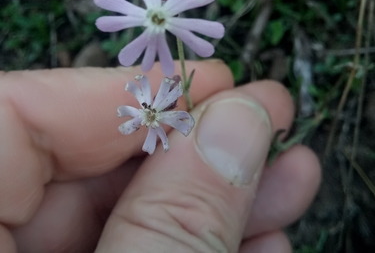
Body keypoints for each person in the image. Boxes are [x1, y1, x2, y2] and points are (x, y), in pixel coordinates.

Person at [0, 60, 321, 253]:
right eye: (147, 111)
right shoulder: (151, 120)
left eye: (150, 111)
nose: (149, 113)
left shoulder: (159, 113)